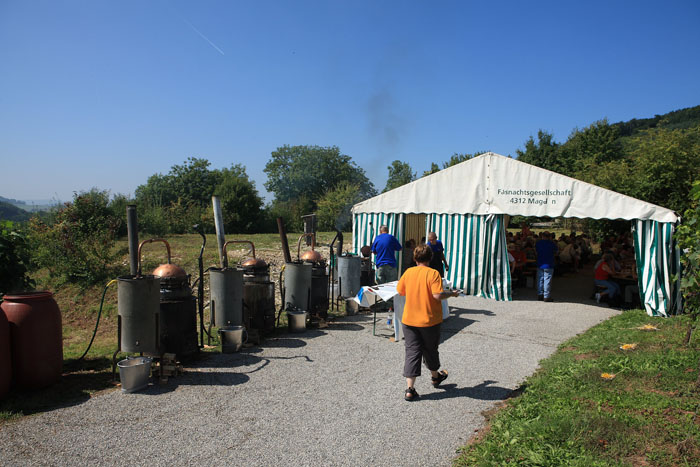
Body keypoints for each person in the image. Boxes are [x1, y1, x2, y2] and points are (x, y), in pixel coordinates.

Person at [396, 243, 459, 401]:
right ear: (430, 257)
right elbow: (437, 295)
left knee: (412, 351)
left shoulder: (408, 272)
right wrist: (451, 294)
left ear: (415, 258)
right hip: (429, 320)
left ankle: (410, 389)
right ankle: (435, 377)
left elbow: (400, 291)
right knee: (430, 349)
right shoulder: (433, 274)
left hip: (409, 319)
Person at [371, 225, 402, 310]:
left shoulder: (377, 238)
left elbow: (373, 251)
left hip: (380, 265)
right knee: (392, 286)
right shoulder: (391, 238)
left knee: (381, 286)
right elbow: (399, 248)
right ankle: (390, 306)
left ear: (380, 231)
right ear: (387, 231)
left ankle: (382, 305)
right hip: (390, 264)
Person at [535, 231, 557, 302]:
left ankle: (540, 294)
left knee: (540, 279)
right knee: (547, 280)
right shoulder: (552, 244)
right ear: (549, 236)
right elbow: (556, 251)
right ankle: (546, 296)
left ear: (542, 236)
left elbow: (536, 252)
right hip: (549, 263)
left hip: (540, 263)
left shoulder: (538, 243)